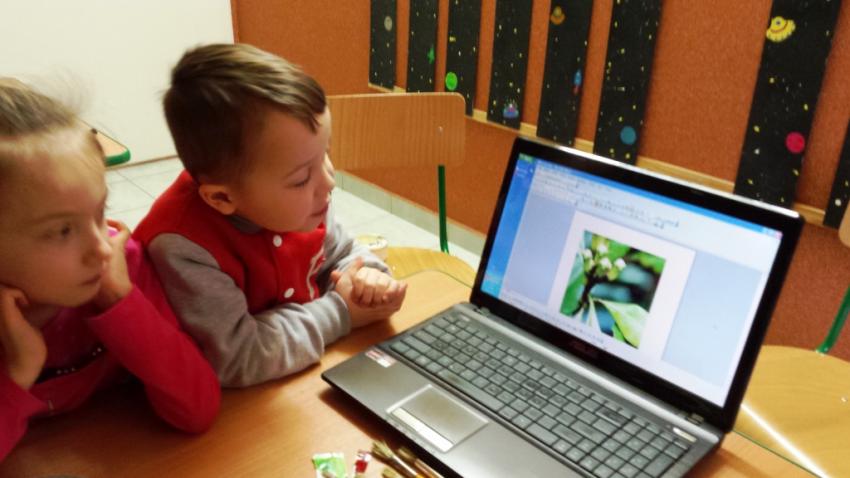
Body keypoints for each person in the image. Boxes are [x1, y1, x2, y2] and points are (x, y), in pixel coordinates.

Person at [133, 43, 407, 388]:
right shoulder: (182, 246)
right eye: (301, 178)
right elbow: (239, 356)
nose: (328, 182)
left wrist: (368, 280)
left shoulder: (303, 203)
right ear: (222, 197)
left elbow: (341, 254)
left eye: (325, 153)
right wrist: (341, 312)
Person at [0, 81, 220, 460]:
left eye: (101, 212)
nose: (102, 248)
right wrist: (19, 373)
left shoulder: (121, 266)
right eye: (62, 231)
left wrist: (121, 302)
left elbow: (197, 407)